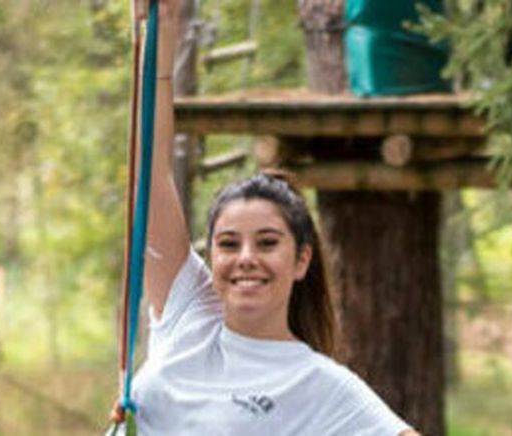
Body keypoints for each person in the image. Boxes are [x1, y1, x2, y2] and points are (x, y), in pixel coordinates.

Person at [116, 1, 420, 434]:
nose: (245, 258)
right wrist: (159, 43)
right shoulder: (189, 312)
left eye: (267, 242)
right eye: (228, 243)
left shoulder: (322, 386)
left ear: (302, 260)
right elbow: (147, 175)